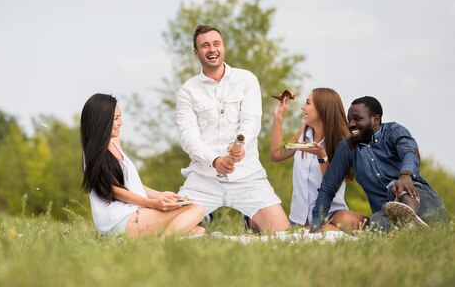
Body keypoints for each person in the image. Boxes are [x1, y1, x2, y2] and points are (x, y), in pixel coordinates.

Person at [175, 24, 290, 234]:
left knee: (284, 235)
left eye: (216, 43)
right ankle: (204, 219)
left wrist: (240, 144)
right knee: (169, 232)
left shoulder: (246, 79)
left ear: (223, 47)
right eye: (205, 45)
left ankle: (252, 221)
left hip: (247, 175)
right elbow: (188, 137)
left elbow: (252, 120)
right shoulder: (187, 91)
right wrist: (215, 161)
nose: (212, 49)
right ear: (196, 52)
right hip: (203, 178)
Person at [311, 96, 448, 232]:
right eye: (349, 120)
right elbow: (328, 188)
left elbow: (409, 153)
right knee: (377, 222)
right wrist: (316, 226)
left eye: (357, 119)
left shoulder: (394, 131)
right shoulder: (347, 147)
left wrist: (405, 175)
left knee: (395, 186)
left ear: (376, 120)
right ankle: (408, 228)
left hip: (421, 200)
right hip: (387, 214)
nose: (351, 124)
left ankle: (410, 219)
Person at [81, 93, 206, 238]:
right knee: (196, 209)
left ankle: (159, 242)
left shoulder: (114, 142)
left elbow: (130, 184)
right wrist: (153, 203)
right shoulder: (94, 152)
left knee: (197, 230)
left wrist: (161, 195)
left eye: (120, 116)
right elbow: (115, 191)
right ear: (101, 121)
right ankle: (158, 245)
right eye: (115, 118)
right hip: (119, 222)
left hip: (132, 215)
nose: (120, 122)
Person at [270, 88, 366, 230]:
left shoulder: (342, 142)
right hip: (299, 219)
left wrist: (322, 156)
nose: (303, 107)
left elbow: (333, 185)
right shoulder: (303, 135)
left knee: (347, 222)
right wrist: (278, 116)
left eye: (308, 103)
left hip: (331, 215)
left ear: (322, 109)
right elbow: (276, 154)